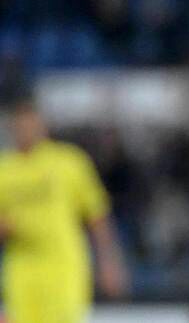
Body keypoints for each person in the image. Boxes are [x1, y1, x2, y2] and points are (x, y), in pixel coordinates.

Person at [0, 98, 128, 323]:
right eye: (19, 124)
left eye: (29, 122)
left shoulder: (68, 162)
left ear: (41, 124)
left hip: (63, 266)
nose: (25, 129)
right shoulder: (5, 169)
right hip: (20, 270)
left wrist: (109, 262)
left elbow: (97, 215)